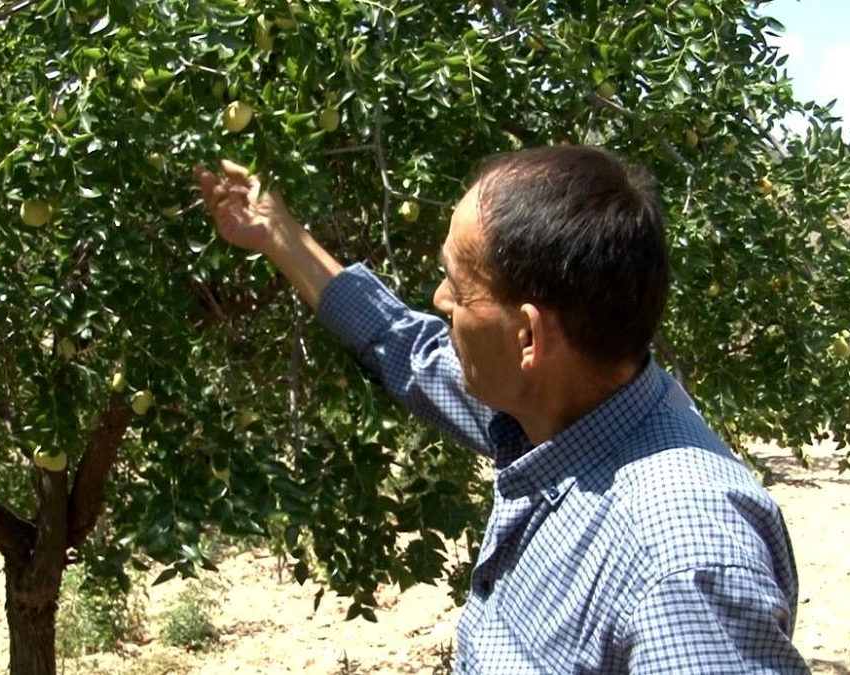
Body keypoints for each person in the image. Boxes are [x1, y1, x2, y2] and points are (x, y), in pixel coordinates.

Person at [194, 145, 810, 674]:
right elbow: (407, 350)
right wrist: (278, 234)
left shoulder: (678, 562)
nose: (439, 302)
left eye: (457, 289)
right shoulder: (557, 408)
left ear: (528, 338)